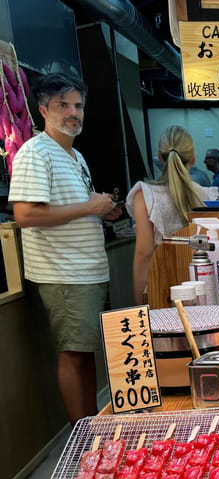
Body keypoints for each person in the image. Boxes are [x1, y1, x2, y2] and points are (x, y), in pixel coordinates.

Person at [9, 73, 123, 426]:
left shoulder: (75, 156)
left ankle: (92, 428)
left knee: (86, 353)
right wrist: (90, 208)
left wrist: (106, 210)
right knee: (73, 354)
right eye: (63, 105)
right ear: (43, 109)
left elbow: (75, 207)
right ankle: (84, 437)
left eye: (78, 105)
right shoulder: (35, 152)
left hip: (87, 270)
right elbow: (26, 214)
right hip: (64, 273)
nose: (73, 113)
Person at [127, 126, 219, 305]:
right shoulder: (207, 195)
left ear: (159, 157)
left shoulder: (145, 195)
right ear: (193, 158)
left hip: (161, 293)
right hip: (203, 289)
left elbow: (144, 254)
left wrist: (140, 308)